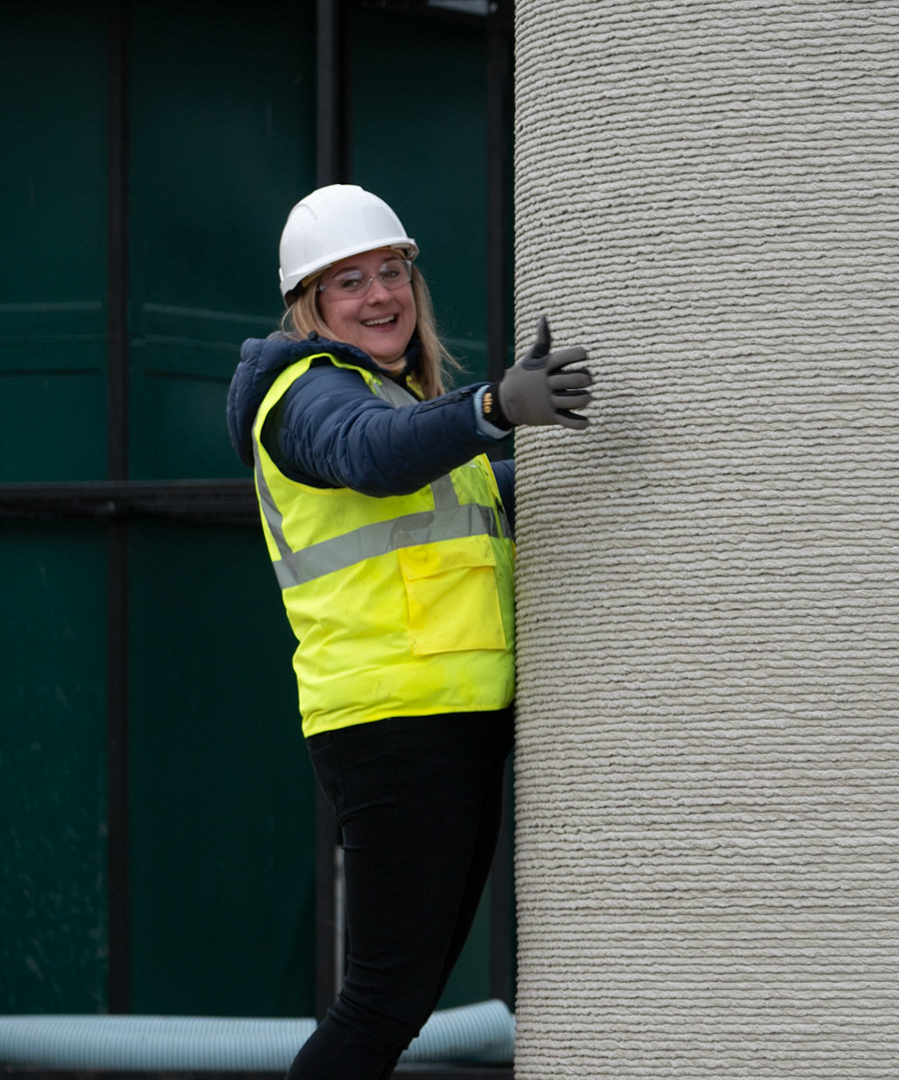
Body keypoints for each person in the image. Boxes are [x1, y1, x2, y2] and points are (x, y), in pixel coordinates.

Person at [224, 184, 593, 1080]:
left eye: (392, 272)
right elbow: (372, 460)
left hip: (450, 721)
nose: (381, 295)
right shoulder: (304, 393)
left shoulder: (396, 403)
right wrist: (490, 409)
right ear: (308, 304)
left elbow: (460, 506)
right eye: (348, 282)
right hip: (394, 726)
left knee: (401, 1002)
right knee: (381, 1004)